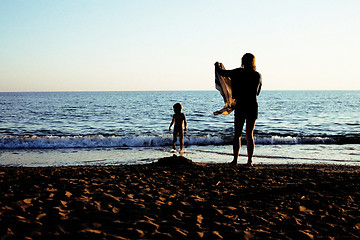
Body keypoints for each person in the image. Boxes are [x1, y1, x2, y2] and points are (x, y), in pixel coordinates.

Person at [215, 53, 262, 166]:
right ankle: (249, 161)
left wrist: (217, 65)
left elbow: (222, 73)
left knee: (237, 134)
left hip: (241, 105)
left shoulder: (237, 72)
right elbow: (258, 92)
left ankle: (235, 160)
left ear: (243, 62)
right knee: (249, 134)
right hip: (252, 105)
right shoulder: (257, 75)